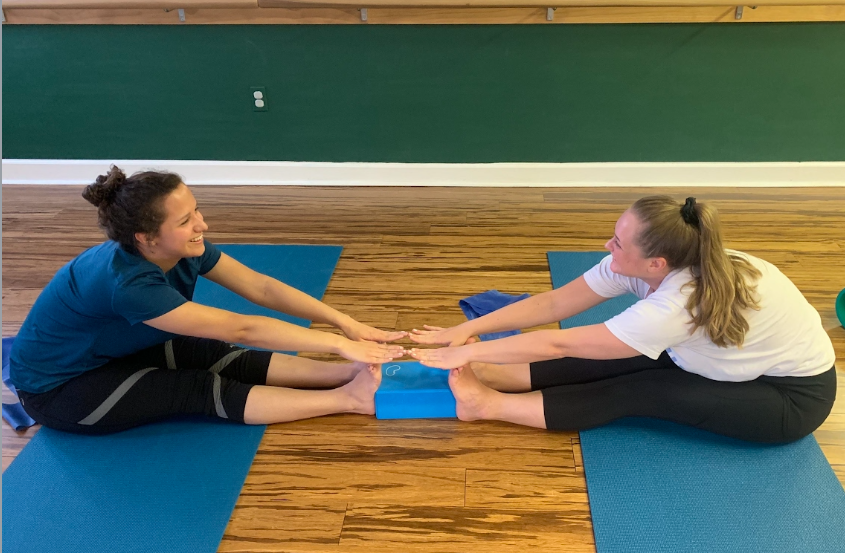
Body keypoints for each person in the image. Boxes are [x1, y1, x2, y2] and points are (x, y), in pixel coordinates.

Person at [9, 166, 407, 435]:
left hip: (113, 351)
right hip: (59, 389)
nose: (202, 225)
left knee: (209, 352)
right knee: (197, 387)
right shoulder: (128, 282)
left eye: (196, 210)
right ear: (146, 238)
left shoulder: (184, 248)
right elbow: (243, 325)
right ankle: (349, 400)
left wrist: (345, 324)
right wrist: (338, 343)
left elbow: (261, 288)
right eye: (184, 222)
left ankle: (341, 375)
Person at [409, 195, 837, 443]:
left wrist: (469, 349)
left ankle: (487, 405)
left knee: (637, 388)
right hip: (725, 359)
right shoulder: (659, 265)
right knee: (605, 357)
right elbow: (555, 304)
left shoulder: (678, 304)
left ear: (656, 263)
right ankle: (490, 373)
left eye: (617, 242)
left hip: (788, 397)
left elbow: (561, 342)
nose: (607, 246)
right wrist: (466, 331)